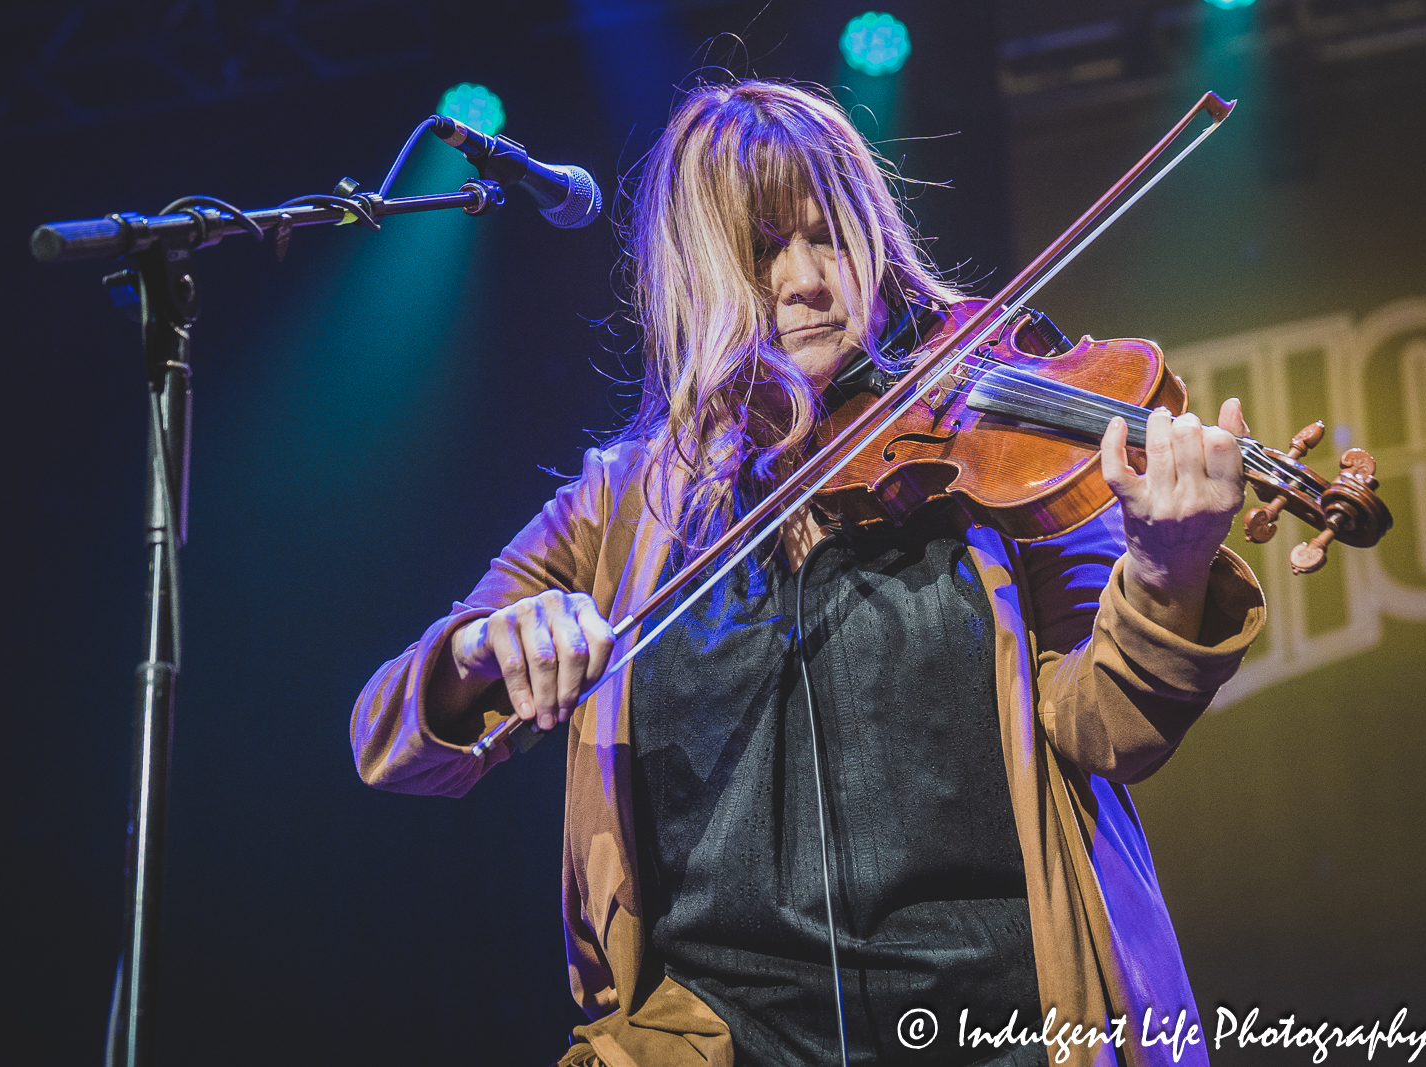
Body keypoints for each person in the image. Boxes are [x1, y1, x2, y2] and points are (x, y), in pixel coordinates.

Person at [351, 81, 1265, 1067]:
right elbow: (390, 737)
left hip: (994, 1014)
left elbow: (1107, 721)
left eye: (826, 235)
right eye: (760, 248)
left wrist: (1167, 568)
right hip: (715, 1035)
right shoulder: (621, 502)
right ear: (697, 275)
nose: (804, 281)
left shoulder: (988, 441)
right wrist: (483, 646)